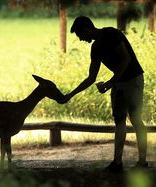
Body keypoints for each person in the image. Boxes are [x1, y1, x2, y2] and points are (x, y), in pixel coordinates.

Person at [60, 16, 148, 172]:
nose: (81, 40)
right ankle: (117, 163)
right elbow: (91, 78)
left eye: (80, 35)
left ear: (87, 28)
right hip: (118, 82)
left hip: (133, 79)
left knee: (135, 119)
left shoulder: (111, 34)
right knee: (119, 120)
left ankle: (142, 162)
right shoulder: (95, 48)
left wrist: (110, 83)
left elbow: (126, 60)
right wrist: (70, 94)